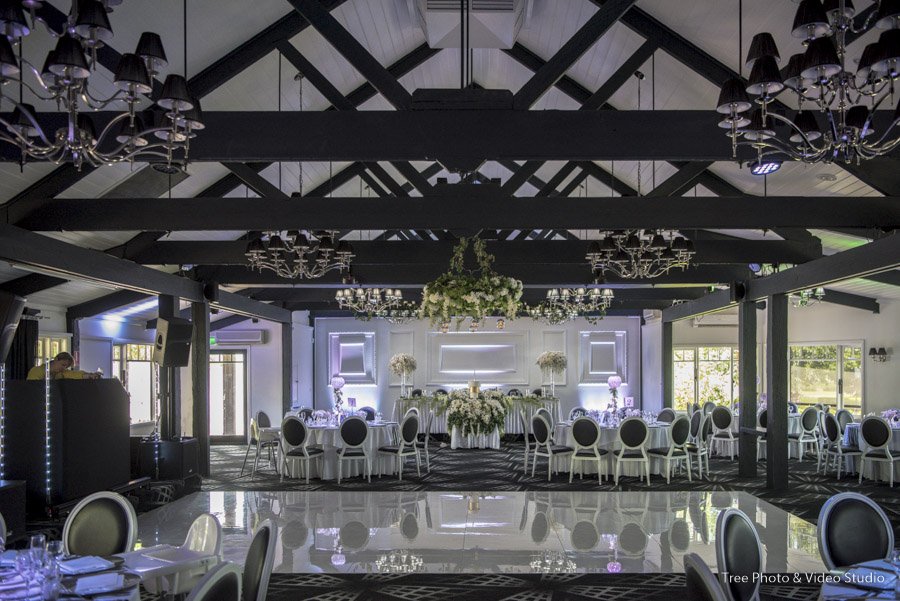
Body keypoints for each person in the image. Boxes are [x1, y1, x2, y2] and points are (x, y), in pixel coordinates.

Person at [26, 352, 99, 380]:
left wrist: (90, 375)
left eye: (66, 367)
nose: (64, 368)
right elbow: (32, 388)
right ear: (56, 359)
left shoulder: (62, 373)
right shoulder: (36, 371)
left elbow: (76, 374)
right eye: (63, 364)